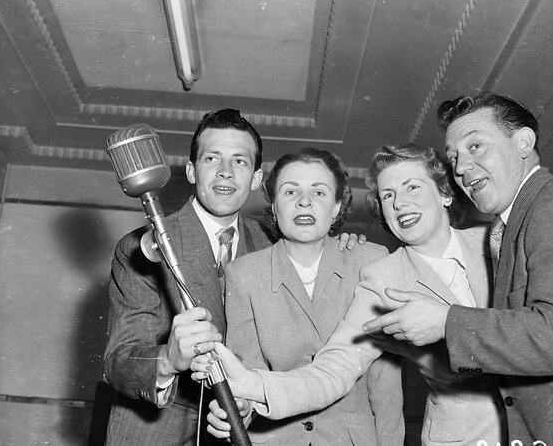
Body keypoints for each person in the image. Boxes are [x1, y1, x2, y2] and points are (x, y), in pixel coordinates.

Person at [193, 144, 506, 446]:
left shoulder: (494, 241)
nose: (399, 203)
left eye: (412, 187)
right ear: (273, 206)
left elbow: (384, 387)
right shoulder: (383, 277)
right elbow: (336, 367)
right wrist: (250, 388)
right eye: (388, 195)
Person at [102, 109, 363, 445]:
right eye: (213, 158)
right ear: (192, 171)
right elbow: (118, 361)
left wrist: (342, 247)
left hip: (245, 431)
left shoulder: (274, 244)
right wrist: (169, 358)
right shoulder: (142, 248)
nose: (225, 172)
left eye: (239, 161)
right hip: (156, 430)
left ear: (255, 178)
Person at [363, 94, 553, 445]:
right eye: (455, 157)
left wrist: (445, 321)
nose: (461, 167)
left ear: (523, 142)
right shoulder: (509, 227)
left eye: (476, 146)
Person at [220, 148, 404, 445]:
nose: (304, 202)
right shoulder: (243, 274)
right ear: (275, 206)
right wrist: (242, 407)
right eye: (290, 191)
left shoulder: (370, 261)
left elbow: (385, 382)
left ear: (336, 207)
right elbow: (247, 375)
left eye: (319, 193)